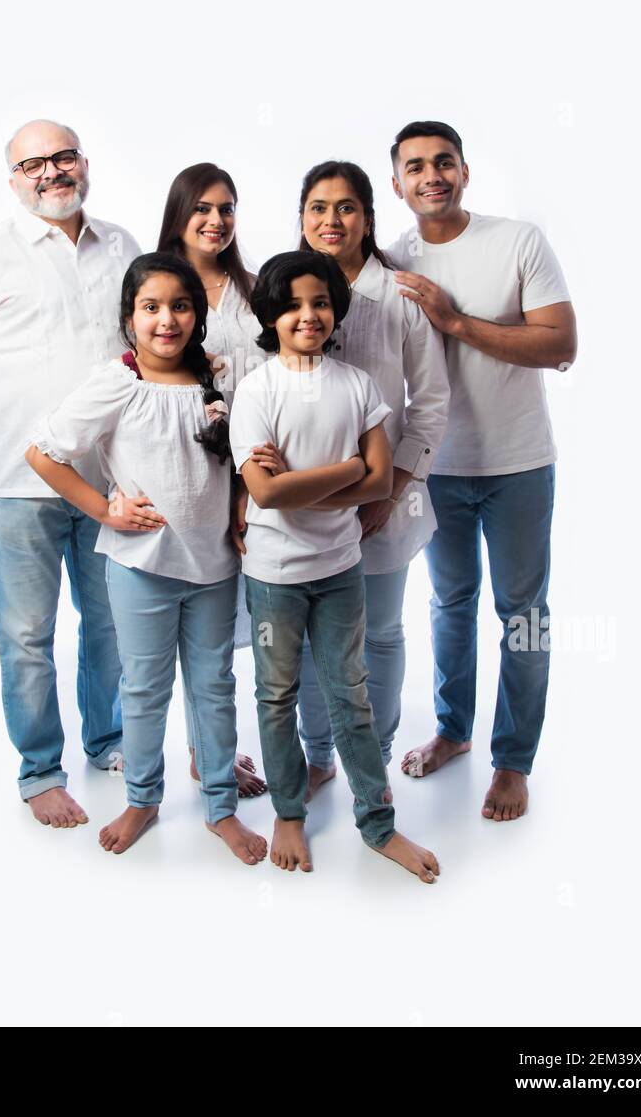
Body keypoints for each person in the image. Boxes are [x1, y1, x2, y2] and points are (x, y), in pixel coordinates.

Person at [0, 119, 140, 828]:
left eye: (63, 157)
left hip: (110, 480)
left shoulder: (124, 247)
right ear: (13, 178)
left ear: (84, 163)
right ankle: (40, 769)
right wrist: (14, 416)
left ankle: (107, 741)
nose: (51, 172)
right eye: (33, 163)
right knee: (25, 635)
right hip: (22, 485)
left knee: (109, 625)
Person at [25, 253, 268, 865]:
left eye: (181, 306)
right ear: (129, 318)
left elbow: (229, 464)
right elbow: (43, 452)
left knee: (213, 687)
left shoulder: (215, 379)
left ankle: (219, 806)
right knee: (145, 690)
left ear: (198, 314)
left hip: (213, 568)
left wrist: (239, 508)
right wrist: (104, 511)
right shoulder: (118, 382)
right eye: (151, 307)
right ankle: (142, 798)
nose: (167, 320)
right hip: (141, 568)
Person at [229, 250, 441, 882]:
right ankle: (288, 812)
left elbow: (380, 485)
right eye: (292, 304)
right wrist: (348, 469)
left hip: (341, 568)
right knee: (276, 695)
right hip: (274, 577)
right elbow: (264, 495)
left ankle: (377, 824)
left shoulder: (357, 385)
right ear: (271, 313)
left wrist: (313, 479)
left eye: (320, 302)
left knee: (351, 695)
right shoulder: (256, 390)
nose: (308, 315)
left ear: (336, 309)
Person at [388, 120, 577, 821]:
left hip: (518, 463)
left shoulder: (515, 241)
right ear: (398, 184)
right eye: (415, 167)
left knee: (524, 615)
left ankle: (513, 760)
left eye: (443, 163)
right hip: (436, 467)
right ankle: (451, 730)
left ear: (464, 172)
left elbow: (560, 344)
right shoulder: (393, 258)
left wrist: (456, 321)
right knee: (448, 605)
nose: (430, 176)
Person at [294, 161, 450, 798]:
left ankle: (376, 757)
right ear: (302, 218)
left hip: (384, 502)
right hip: (302, 503)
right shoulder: (286, 288)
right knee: (306, 638)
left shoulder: (401, 297)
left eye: (347, 207)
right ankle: (317, 755)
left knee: (379, 633)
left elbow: (432, 403)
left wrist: (393, 489)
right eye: (319, 208)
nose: (332, 221)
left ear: (368, 216)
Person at [155, 163, 269, 796]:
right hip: (189, 472)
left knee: (244, 616)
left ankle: (219, 747)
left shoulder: (252, 290)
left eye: (227, 208)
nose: (216, 220)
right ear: (179, 213)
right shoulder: (161, 286)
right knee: (201, 624)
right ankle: (204, 754)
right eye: (202, 207)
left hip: (256, 471)